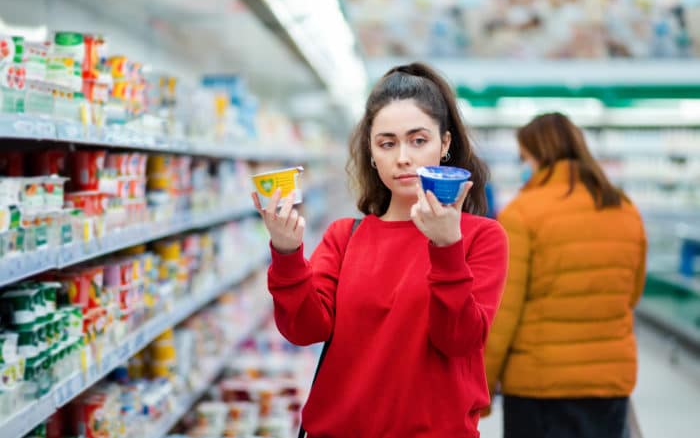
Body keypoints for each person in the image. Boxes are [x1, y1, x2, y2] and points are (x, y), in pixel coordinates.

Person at [252, 62, 508, 437]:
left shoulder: (481, 238)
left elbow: (458, 340)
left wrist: (446, 247)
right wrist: (287, 254)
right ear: (372, 153)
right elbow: (304, 330)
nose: (402, 156)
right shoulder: (345, 236)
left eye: (418, 140)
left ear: (446, 144)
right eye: (387, 143)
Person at [484, 112, 647, 438]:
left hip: (539, 389)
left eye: (524, 157)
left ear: (540, 154)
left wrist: (482, 387)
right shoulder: (624, 208)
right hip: (607, 384)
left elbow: (504, 315)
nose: (523, 166)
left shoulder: (521, 213)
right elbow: (631, 294)